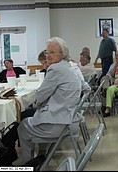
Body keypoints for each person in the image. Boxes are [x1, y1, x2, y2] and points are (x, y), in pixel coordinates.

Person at [12, 37, 82, 166]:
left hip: (60, 124)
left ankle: (27, 163)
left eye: (52, 52)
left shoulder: (55, 69)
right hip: (71, 120)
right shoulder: (68, 67)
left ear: (63, 54)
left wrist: (39, 103)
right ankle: (41, 155)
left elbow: (39, 97)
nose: (48, 56)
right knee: (37, 117)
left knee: (23, 125)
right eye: (47, 52)